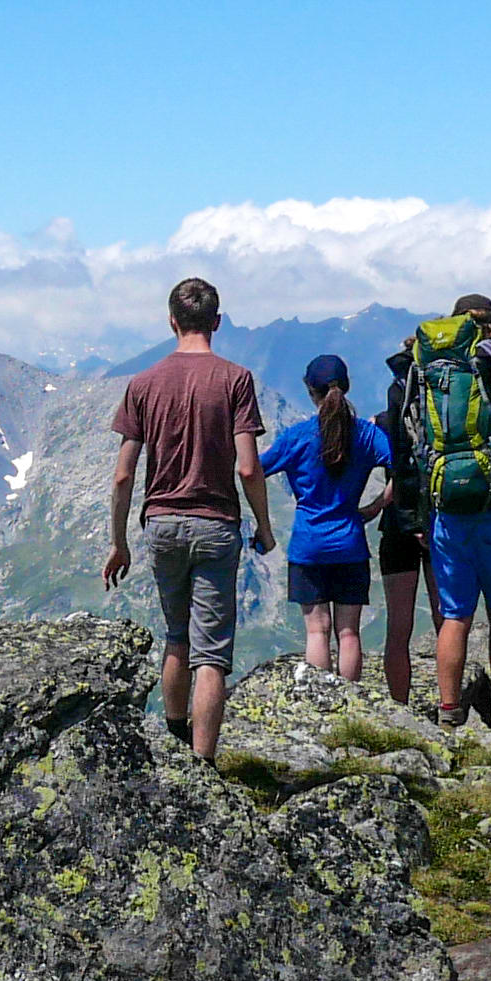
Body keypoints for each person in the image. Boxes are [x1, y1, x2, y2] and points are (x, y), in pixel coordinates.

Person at [102, 274, 272, 754]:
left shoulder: (143, 383)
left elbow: (122, 475)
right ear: (216, 322)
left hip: (161, 524)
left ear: (172, 321)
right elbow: (247, 465)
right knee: (211, 654)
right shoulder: (235, 379)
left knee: (177, 637)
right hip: (216, 524)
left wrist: (119, 542)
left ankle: (175, 742)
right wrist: (262, 524)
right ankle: (203, 764)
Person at [383, 292, 491, 733]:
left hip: (444, 514)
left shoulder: (419, 371)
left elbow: (404, 450)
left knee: (455, 615)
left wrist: (414, 518)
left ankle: (448, 714)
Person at [261, 353, 391, 677]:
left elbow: (253, 470)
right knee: (349, 634)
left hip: (309, 545)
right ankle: (351, 717)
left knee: (316, 631)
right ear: (346, 387)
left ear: (310, 391)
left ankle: (325, 714)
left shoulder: (297, 437)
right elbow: (404, 472)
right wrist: (376, 506)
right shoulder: (367, 434)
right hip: (350, 541)